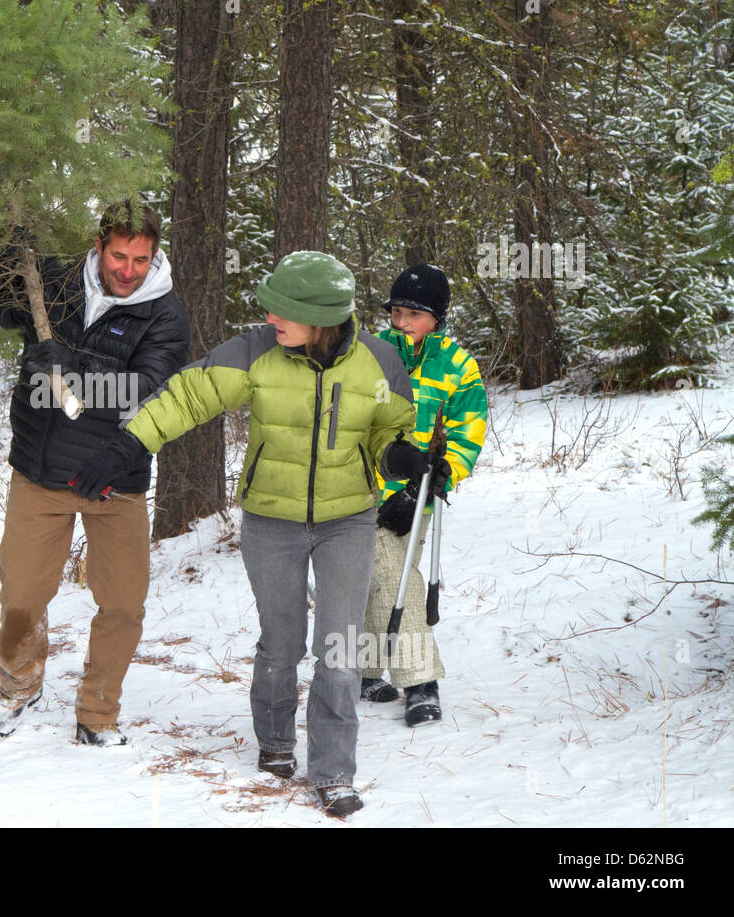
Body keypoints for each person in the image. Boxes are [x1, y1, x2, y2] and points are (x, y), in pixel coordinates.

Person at [73, 251, 419, 818]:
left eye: (282, 309)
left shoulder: (379, 362)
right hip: (271, 519)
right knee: (281, 641)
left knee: (340, 650)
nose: (269, 317)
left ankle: (333, 771)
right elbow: (187, 396)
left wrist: (401, 457)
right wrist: (128, 444)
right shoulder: (258, 349)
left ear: (319, 317)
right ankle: (276, 740)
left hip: (348, 519)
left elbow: (388, 433)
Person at [0, 202, 190, 745]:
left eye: (141, 258)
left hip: (116, 476)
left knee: (121, 603)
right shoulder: (56, 282)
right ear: (98, 246)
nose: (129, 269)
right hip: (40, 469)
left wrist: (66, 366)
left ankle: (97, 711)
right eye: (119, 255)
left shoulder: (165, 314)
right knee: (20, 592)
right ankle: (19, 685)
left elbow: (144, 390)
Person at [358, 265, 489, 726]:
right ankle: (420, 681)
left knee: (390, 576)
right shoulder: (369, 352)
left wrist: (442, 474)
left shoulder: (457, 364)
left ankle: (368, 669)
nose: (403, 321)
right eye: (397, 311)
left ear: (437, 317)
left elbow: (467, 428)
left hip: (419, 493)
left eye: (414, 313)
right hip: (363, 488)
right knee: (392, 572)